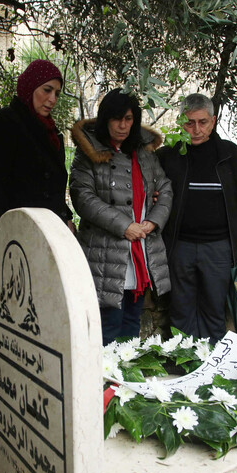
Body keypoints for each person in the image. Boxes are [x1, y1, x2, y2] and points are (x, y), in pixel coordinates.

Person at [70, 88, 173, 345]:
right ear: (105, 119)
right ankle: (103, 384)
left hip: (141, 250)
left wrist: (153, 221)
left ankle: (124, 382)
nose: (122, 125)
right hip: (106, 251)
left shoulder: (145, 153)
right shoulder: (88, 153)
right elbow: (83, 197)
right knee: (109, 324)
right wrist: (125, 226)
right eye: (117, 119)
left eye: (128, 119)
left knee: (131, 320)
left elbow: (166, 188)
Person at [158, 93, 237, 341]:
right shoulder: (168, 156)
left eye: (202, 122)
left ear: (213, 121)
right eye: (190, 123)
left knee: (215, 308)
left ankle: (212, 366)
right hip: (180, 245)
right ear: (181, 122)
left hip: (219, 246)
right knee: (180, 308)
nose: (196, 129)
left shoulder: (231, 155)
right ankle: (183, 364)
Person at [0, 60, 73, 235]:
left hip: (50, 230)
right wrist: (4, 234)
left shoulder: (53, 133)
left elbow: (55, 187)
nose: (52, 99)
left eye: (57, 93)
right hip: (19, 231)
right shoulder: (5, 122)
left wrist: (66, 217)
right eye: (47, 90)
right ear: (29, 87)